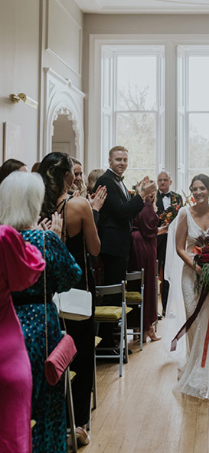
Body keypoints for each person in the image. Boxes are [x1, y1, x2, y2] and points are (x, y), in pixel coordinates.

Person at [2, 172, 81, 453]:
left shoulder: (2, 238)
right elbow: (72, 276)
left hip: (5, 324)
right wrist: (56, 238)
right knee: (46, 405)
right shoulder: (44, 240)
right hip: (39, 324)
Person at [37, 152, 105, 447]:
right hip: (76, 288)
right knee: (80, 353)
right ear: (68, 176)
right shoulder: (79, 206)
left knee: (52, 357)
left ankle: (53, 419)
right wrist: (93, 213)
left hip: (43, 290)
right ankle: (80, 424)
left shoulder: (36, 205)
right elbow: (94, 248)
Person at [163, 174, 209, 399]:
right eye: (194, 189)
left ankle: (208, 370)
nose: (198, 192)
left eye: (202, 188)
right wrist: (198, 266)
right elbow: (180, 247)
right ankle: (194, 368)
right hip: (191, 273)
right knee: (194, 320)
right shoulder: (184, 213)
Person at [96, 146, 156, 346]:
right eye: (118, 159)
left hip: (120, 245)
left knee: (117, 293)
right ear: (109, 160)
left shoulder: (117, 182)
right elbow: (122, 212)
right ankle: (107, 343)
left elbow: (126, 209)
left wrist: (138, 195)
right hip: (112, 246)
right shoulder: (106, 180)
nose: (122, 163)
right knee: (112, 294)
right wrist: (141, 196)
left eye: (124, 160)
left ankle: (112, 339)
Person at [0, 225, 45, 453]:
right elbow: (28, 272)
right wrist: (34, 240)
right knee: (12, 438)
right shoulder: (4, 237)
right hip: (5, 353)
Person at [130, 186, 160, 343]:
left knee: (139, 283)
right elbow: (149, 230)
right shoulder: (145, 205)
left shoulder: (137, 203)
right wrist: (167, 228)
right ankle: (147, 328)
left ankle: (139, 327)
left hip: (137, 243)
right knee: (147, 283)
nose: (153, 193)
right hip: (143, 245)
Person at [155, 171, 183, 318]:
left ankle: (167, 308)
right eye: (160, 180)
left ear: (171, 182)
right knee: (154, 275)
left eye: (165, 180)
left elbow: (181, 218)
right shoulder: (152, 197)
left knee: (169, 274)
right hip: (156, 241)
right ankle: (154, 311)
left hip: (172, 241)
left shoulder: (178, 198)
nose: (163, 182)